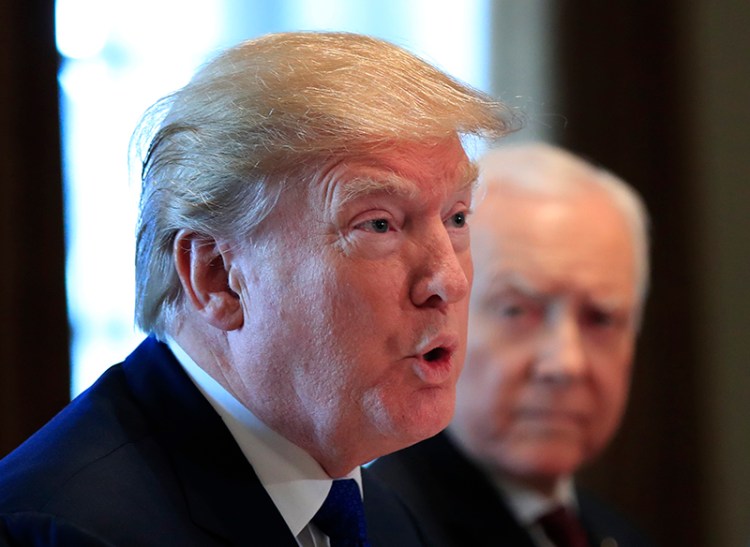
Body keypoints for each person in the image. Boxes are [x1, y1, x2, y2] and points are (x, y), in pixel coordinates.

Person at [0, 31, 514, 546]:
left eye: (457, 216)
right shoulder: (64, 529)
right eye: (378, 224)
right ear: (218, 279)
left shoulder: (384, 516)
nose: (448, 279)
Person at [370, 143, 656, 547]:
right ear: (442, 313)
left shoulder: (621, 535)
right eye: (517, 311)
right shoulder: (379, 528)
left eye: (601, 318)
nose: (566, 362)